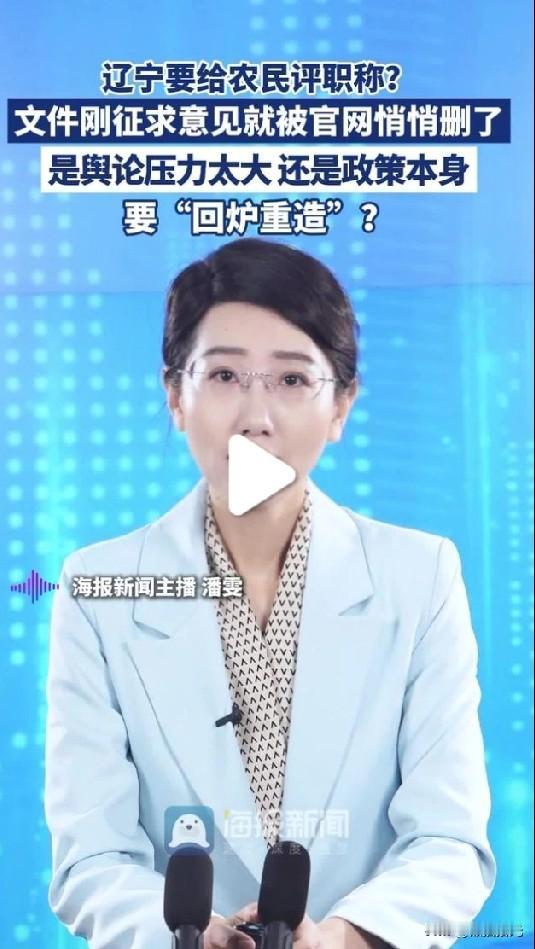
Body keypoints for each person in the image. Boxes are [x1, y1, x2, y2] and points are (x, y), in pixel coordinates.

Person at [45, 238, 496, 949]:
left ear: (341, 405)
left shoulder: (420, 576)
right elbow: (90, 857)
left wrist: (343, 936)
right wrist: (184, 933)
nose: (256, 416)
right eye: (224, 374)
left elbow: (449, 840)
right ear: (175, 395)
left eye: (291, 379)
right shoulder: (97, 588)